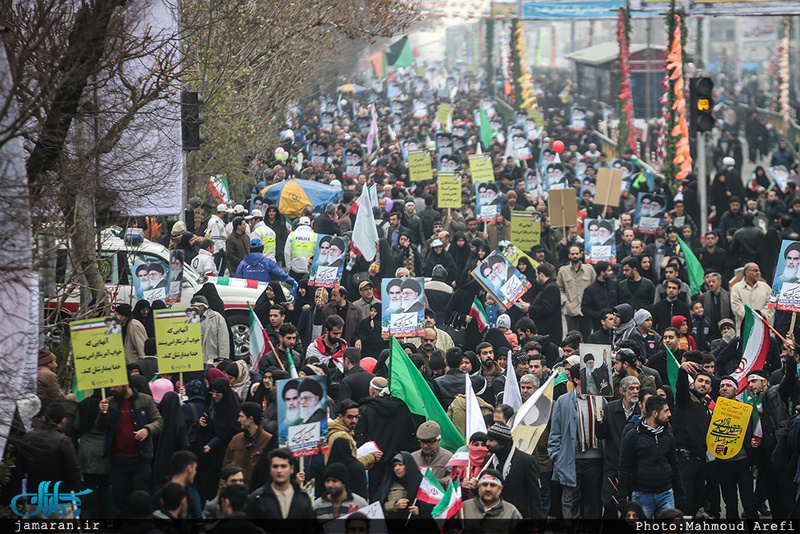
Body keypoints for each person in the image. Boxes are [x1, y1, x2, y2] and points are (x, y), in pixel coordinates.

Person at [548, 366, 605, 527]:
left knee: (593, 499)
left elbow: (605, 429)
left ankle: (591, 530)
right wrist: (556, 456)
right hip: (570, 458)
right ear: (577, 380)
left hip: (595, 458)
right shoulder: (563, 401)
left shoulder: (599, 399)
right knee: (570, 500)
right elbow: (555, 432)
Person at [97, 381, 164, 516]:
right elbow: (100, 428)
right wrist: (102, 414)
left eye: (115, 385)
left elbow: (159, 421)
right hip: (118, 461)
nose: (112, 388)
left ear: (126, 384)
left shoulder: (145, 400)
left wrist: (147, 429)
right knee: (120, 500)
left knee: (141, 498)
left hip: (140, 459)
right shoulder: (109, 402)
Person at [616, 395, 686, 518]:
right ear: (654, 413)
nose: (669, 414)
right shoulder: (633, 436)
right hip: (642, 494)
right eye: (666, 411)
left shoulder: (668, 435)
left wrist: (681, 494)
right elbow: (624, 467)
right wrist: (622, 497)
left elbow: (674, 465)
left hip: (666, 493)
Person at [17, 403, 82, 516]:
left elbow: (20, 468)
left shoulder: (27, 439)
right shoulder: (64, 442)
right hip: (60, 502)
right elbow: (74, 473)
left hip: (35, 500)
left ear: (43, 418)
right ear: (63, 421)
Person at [596, 376, 640, 518]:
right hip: (613, 466)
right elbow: (601, 435)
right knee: (609, 504)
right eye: (631, 388)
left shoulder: (641, 410)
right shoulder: (610, 408)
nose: (635, 392)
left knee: (631, 508)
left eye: (637, 388)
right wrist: (600, 421)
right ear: (622, 391)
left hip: (634, 468)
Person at [247, 448, 315, 519]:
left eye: (283, 466)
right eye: (275, 466)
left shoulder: (303, 497)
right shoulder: (257, 498)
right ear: (270, 469)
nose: (279, 470)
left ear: (291, 469)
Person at [222, 402, 272, 488]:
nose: (238, 420)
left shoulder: (268, 440)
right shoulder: (236, 440)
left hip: (256, 493)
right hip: (234, 492)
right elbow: (225, 468)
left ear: (250, 419)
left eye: (241, 416)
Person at [557, 245, 596, 340]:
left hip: (586, 309)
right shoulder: (563, 271)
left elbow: (595, 286)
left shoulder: (589, 269)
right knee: (572, 338)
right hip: (571, 310)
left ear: (581, 254)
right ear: (569, 255)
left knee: (586, 337)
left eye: (577, 253)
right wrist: (565, 301)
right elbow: (559, 289)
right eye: (572, 254)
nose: (575, 255)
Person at [379, 452, 431, 519]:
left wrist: (419, 511)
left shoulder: (421, 484)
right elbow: (380, 505)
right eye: (395, 465)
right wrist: (395, 505)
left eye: (400, 464)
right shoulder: (388, 483)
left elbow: (430, 507)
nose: (397, 468)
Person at [730, 262, 774, 332]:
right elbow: (736, 307)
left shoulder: (766, 287)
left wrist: (762, 314)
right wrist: (752, 317)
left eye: (759, 270)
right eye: (756, 270)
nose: (758, 273)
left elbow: (771, 304)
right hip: (745, 329)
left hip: (763, 328)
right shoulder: (736, 288)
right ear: (747, 273)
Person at [410, 421, 453, 487]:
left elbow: (452, 478)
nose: (425, 446)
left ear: (438, 440)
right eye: (422, 442)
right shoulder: (413, 457)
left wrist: (435, 482)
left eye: (429, 443)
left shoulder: (448, 457)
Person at [581, 261, 619, 333]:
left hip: (616, 324)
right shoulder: (590, 290)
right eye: (609, 270)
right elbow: (585, 309)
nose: (611, 272)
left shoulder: (615, 285)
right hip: (599, 326)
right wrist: (600, 316)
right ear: (602, 272)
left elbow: (621, 301)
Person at [191, 295, 229, 361]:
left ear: (202, 307)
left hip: (212, 360)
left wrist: (223, 359)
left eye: (193, 307)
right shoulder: (190, 319)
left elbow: (223, 340)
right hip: (195, 359)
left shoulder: (217, 318)